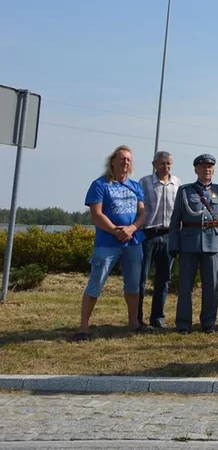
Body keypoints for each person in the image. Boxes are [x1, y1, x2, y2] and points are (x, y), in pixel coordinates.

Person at [73, 146, 147, 342]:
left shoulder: (135, 186)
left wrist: (131, 229)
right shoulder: (100, 185)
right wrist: (116, 231)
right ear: (112, 161)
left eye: (129, 159)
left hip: (133, 242)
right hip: (107, 243)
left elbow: (143, 213)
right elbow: (96, 215)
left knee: (133, 284)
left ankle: (133, 323)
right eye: (122, 159)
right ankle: (83, 328)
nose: (125, 162)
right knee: (95, 283)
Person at [168, 154, 218, 334]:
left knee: (211, 287)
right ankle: (183, 323)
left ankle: (209, 322)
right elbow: (175, 220)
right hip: (189, 243)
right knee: (185, 286)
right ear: (196, 169)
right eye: (203, 167)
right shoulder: (185, 191)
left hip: (212, 244)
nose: (207, 170)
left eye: (210, 166)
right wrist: (174, 244)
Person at [137, 150, 180, 329]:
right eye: (162, 163)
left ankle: (158, 318)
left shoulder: (176, 183)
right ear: (154, 164)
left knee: (163, 279)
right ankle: (137, 318)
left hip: (168, 235)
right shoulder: (144, 182)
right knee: (141, 278)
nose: (166, 166)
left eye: (168, 163)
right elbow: (138, 208)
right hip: (148, 234)